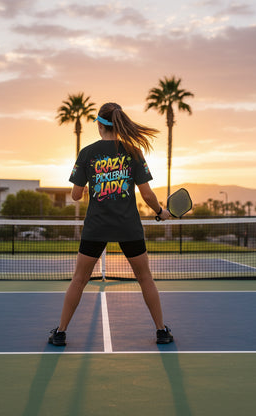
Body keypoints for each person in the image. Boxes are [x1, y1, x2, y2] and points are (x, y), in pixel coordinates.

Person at [48, 102, 173, 346]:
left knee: (79, 280)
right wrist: (160, 212)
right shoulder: (133, 151)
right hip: (129, 227)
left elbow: (75, 195)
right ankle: (161, 331)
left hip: (96, 227)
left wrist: (91, 185)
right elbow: (147, 195)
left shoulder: (87, 153)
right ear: (118, 124)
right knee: (145, 278)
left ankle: (60, 332)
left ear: (99, 124)